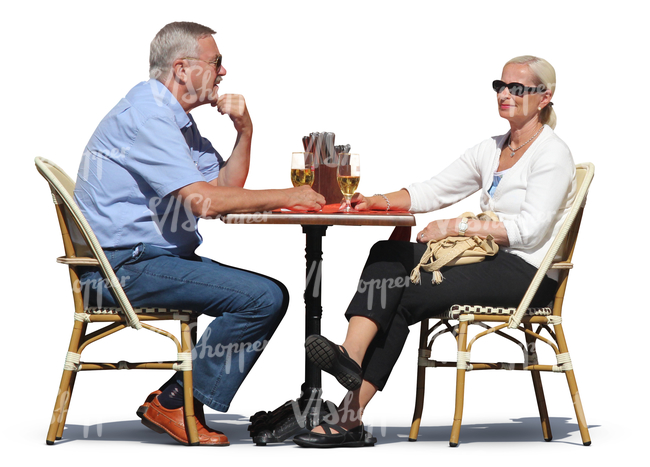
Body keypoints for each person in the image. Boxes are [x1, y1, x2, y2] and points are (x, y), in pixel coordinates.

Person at [294, 55, 575, 448]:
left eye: (518, 88)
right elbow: (433, 190)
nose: (505, 94)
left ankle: (349, 416)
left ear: (545, 97)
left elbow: (529, 233)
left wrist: (456, 226)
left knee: (401, 293)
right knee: (387, 254)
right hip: (489, 259)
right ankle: (349, 358)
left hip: (527, 273)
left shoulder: (551, 154)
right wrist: (378, 200)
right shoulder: (492, 148)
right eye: (500, 86)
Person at [74, 21, 325, 446]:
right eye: (216, 63)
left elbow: (225, 190)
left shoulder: (175, 119)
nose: (224, 72)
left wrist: (245, 130)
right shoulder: (148, 116)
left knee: (266, 294)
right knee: (263, 297)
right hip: (121, 270)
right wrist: (292, 194)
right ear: (182, 69)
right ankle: (176, 402)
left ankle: (175, 397)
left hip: (149, 262)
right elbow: (204, 203)